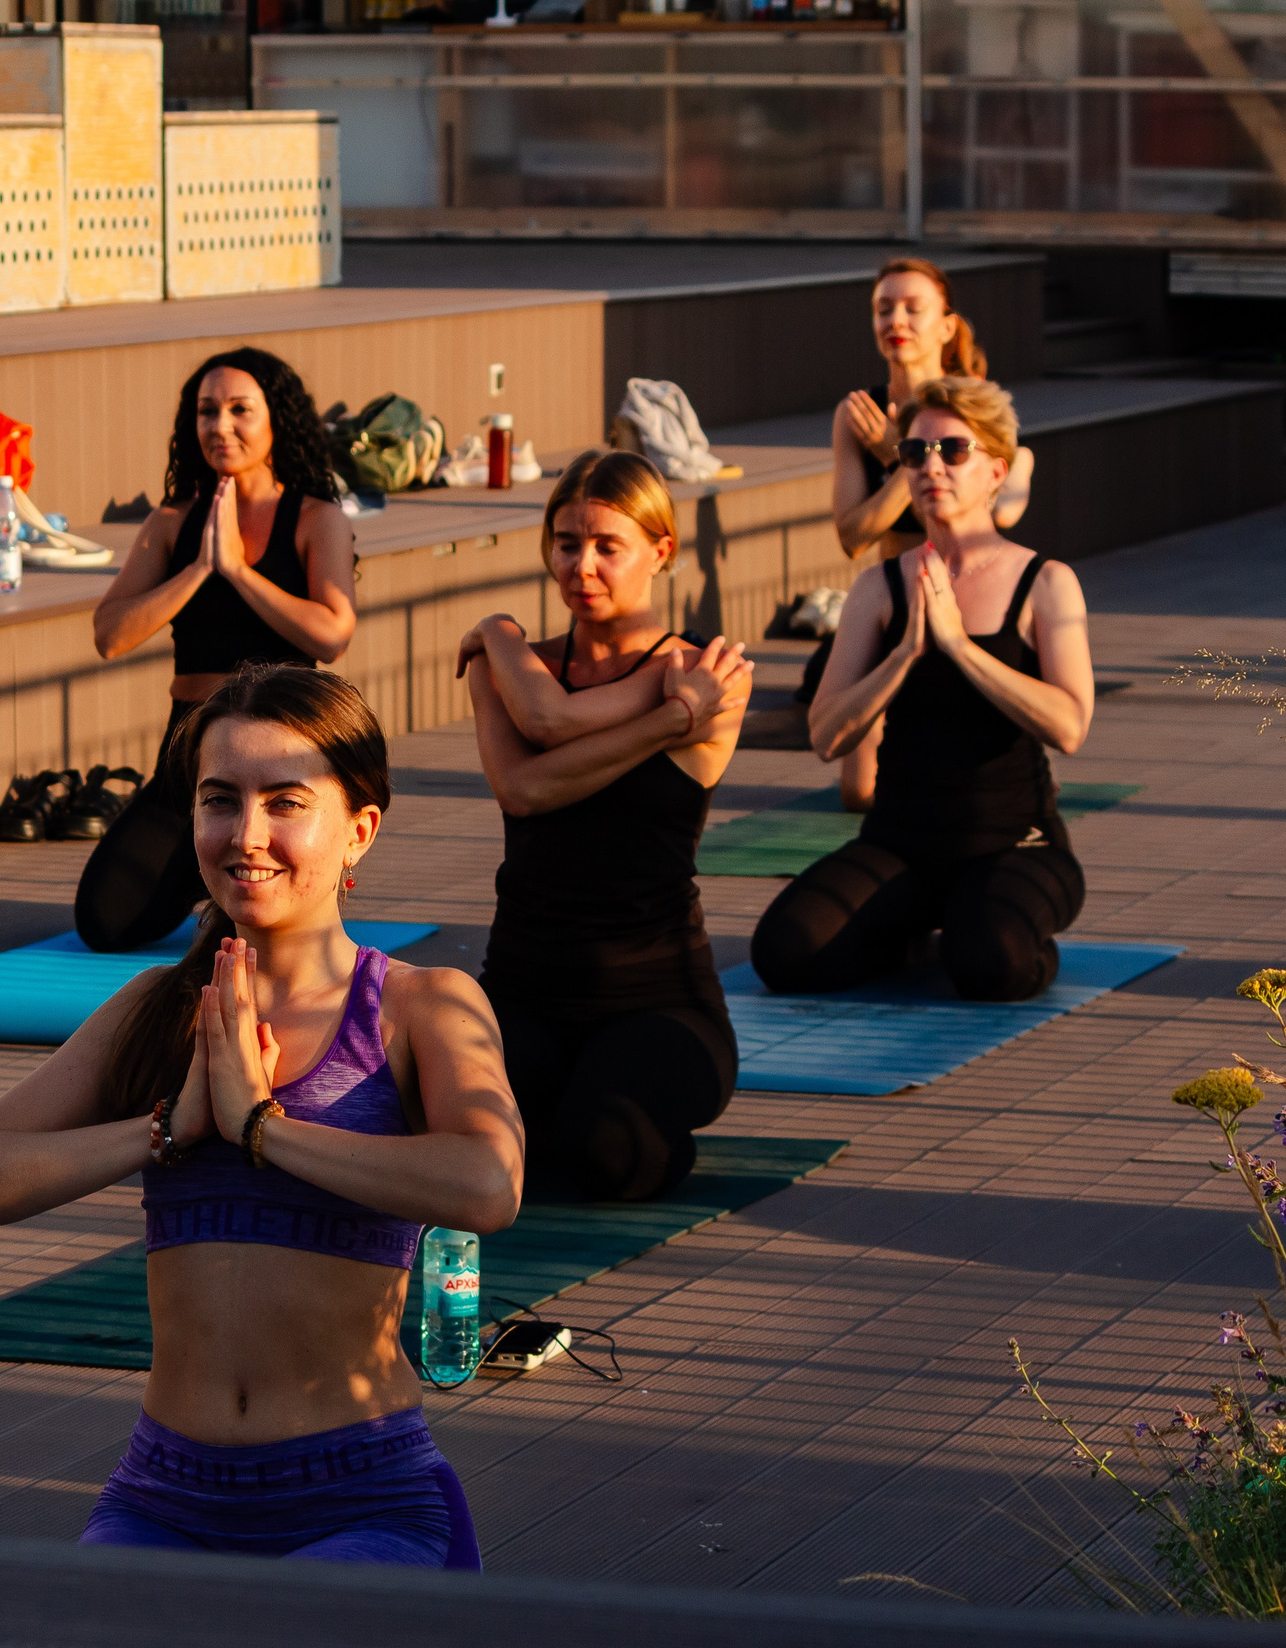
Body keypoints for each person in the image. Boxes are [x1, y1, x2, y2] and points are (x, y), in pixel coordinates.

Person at [0, 666, 522, 1569]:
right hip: (164, 1493)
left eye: (286, 802)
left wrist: (264, 1128)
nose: (247, 835)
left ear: (359, 828)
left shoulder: (420, 1006)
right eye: (220, 800)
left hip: (361, 1495)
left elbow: (489, 1185)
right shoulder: (158, 1007)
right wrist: (167, 1129)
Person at [454, 449, 752, 1203]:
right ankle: (548, 1114)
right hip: (524, 989)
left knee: (606, 1153)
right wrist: (671, 720)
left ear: (661, 551)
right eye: (566, 543)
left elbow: (550, 727)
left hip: (658, 1001)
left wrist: (682, 708)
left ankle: (578, 1120)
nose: (581, 566)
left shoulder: (705, 672)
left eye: (606, 546)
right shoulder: (513, 668)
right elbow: (523, 788)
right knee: (437, 1123)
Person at [752, 377, 1094, 1004]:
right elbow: (827, 736)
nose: (930, 465)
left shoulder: (1044, 582)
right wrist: (907, 653)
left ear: (996, 469)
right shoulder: (878, 589)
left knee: (990, 964)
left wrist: (960, 647)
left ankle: (983, 927)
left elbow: (1069, 727)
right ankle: (906, 934)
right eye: (913, 453)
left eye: (952, 450)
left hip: (1016, 844)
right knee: (784, 952)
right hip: (901, 843)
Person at [75, 348, 358, 952]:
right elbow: (110, 634)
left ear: (275, 419)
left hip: (280, 746)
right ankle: (207, 876)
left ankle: (239, 876)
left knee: (266, 923)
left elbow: (332, 634)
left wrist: (240, 571)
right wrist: (202, 567)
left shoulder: (315, 517)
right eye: (207, 411)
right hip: (190, 748)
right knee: (106, 922)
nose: (220, 426)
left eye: (239, 410)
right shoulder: (174, 521)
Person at [824, 258, 1037, 812]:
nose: (896, 319)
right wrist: (906, 460)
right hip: (894, 600)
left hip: (969, 596)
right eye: (883, 308)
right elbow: (851, 535)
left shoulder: (975, 409)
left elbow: (986, 514)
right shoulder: (859, 413)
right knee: (859, 795)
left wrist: (913, 451)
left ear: (946, 325)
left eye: (913, 308)